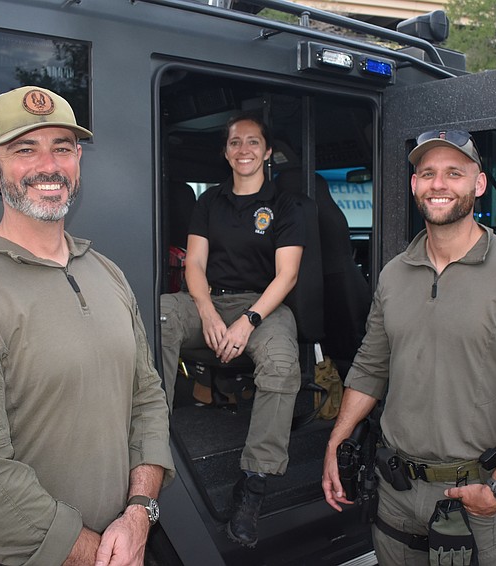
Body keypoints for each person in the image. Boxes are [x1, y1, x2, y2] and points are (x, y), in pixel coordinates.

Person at [0, 86, 174, 566]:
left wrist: (139, 513)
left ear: (78, 162)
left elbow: (148, 400)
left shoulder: (107, 273)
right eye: (25, 149)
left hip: (125, 542)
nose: (48, 166)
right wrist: (98, 555)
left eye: (63, 148)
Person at [322, 130, 496, 565]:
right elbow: (370, 368)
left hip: (474, 496)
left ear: (478, 184)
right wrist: (336, 441)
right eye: (428, 173)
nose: (439, 184)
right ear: (415, 184)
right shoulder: (393, 275)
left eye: (454, 173)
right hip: (395, 489)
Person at [159, 113, 305, 548]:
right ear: (225, 151)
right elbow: (195, 265)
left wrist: (248, 321)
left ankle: (254, 482)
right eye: (235, 142)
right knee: (160, 316)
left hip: (264, 305)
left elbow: (287, 276)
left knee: (281, 363)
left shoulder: (285, 205)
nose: (244, 149)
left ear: (267, 150)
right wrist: (205, 312)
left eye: (253, 142)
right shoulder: (208, 203)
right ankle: (152, 450)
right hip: (209, 299)